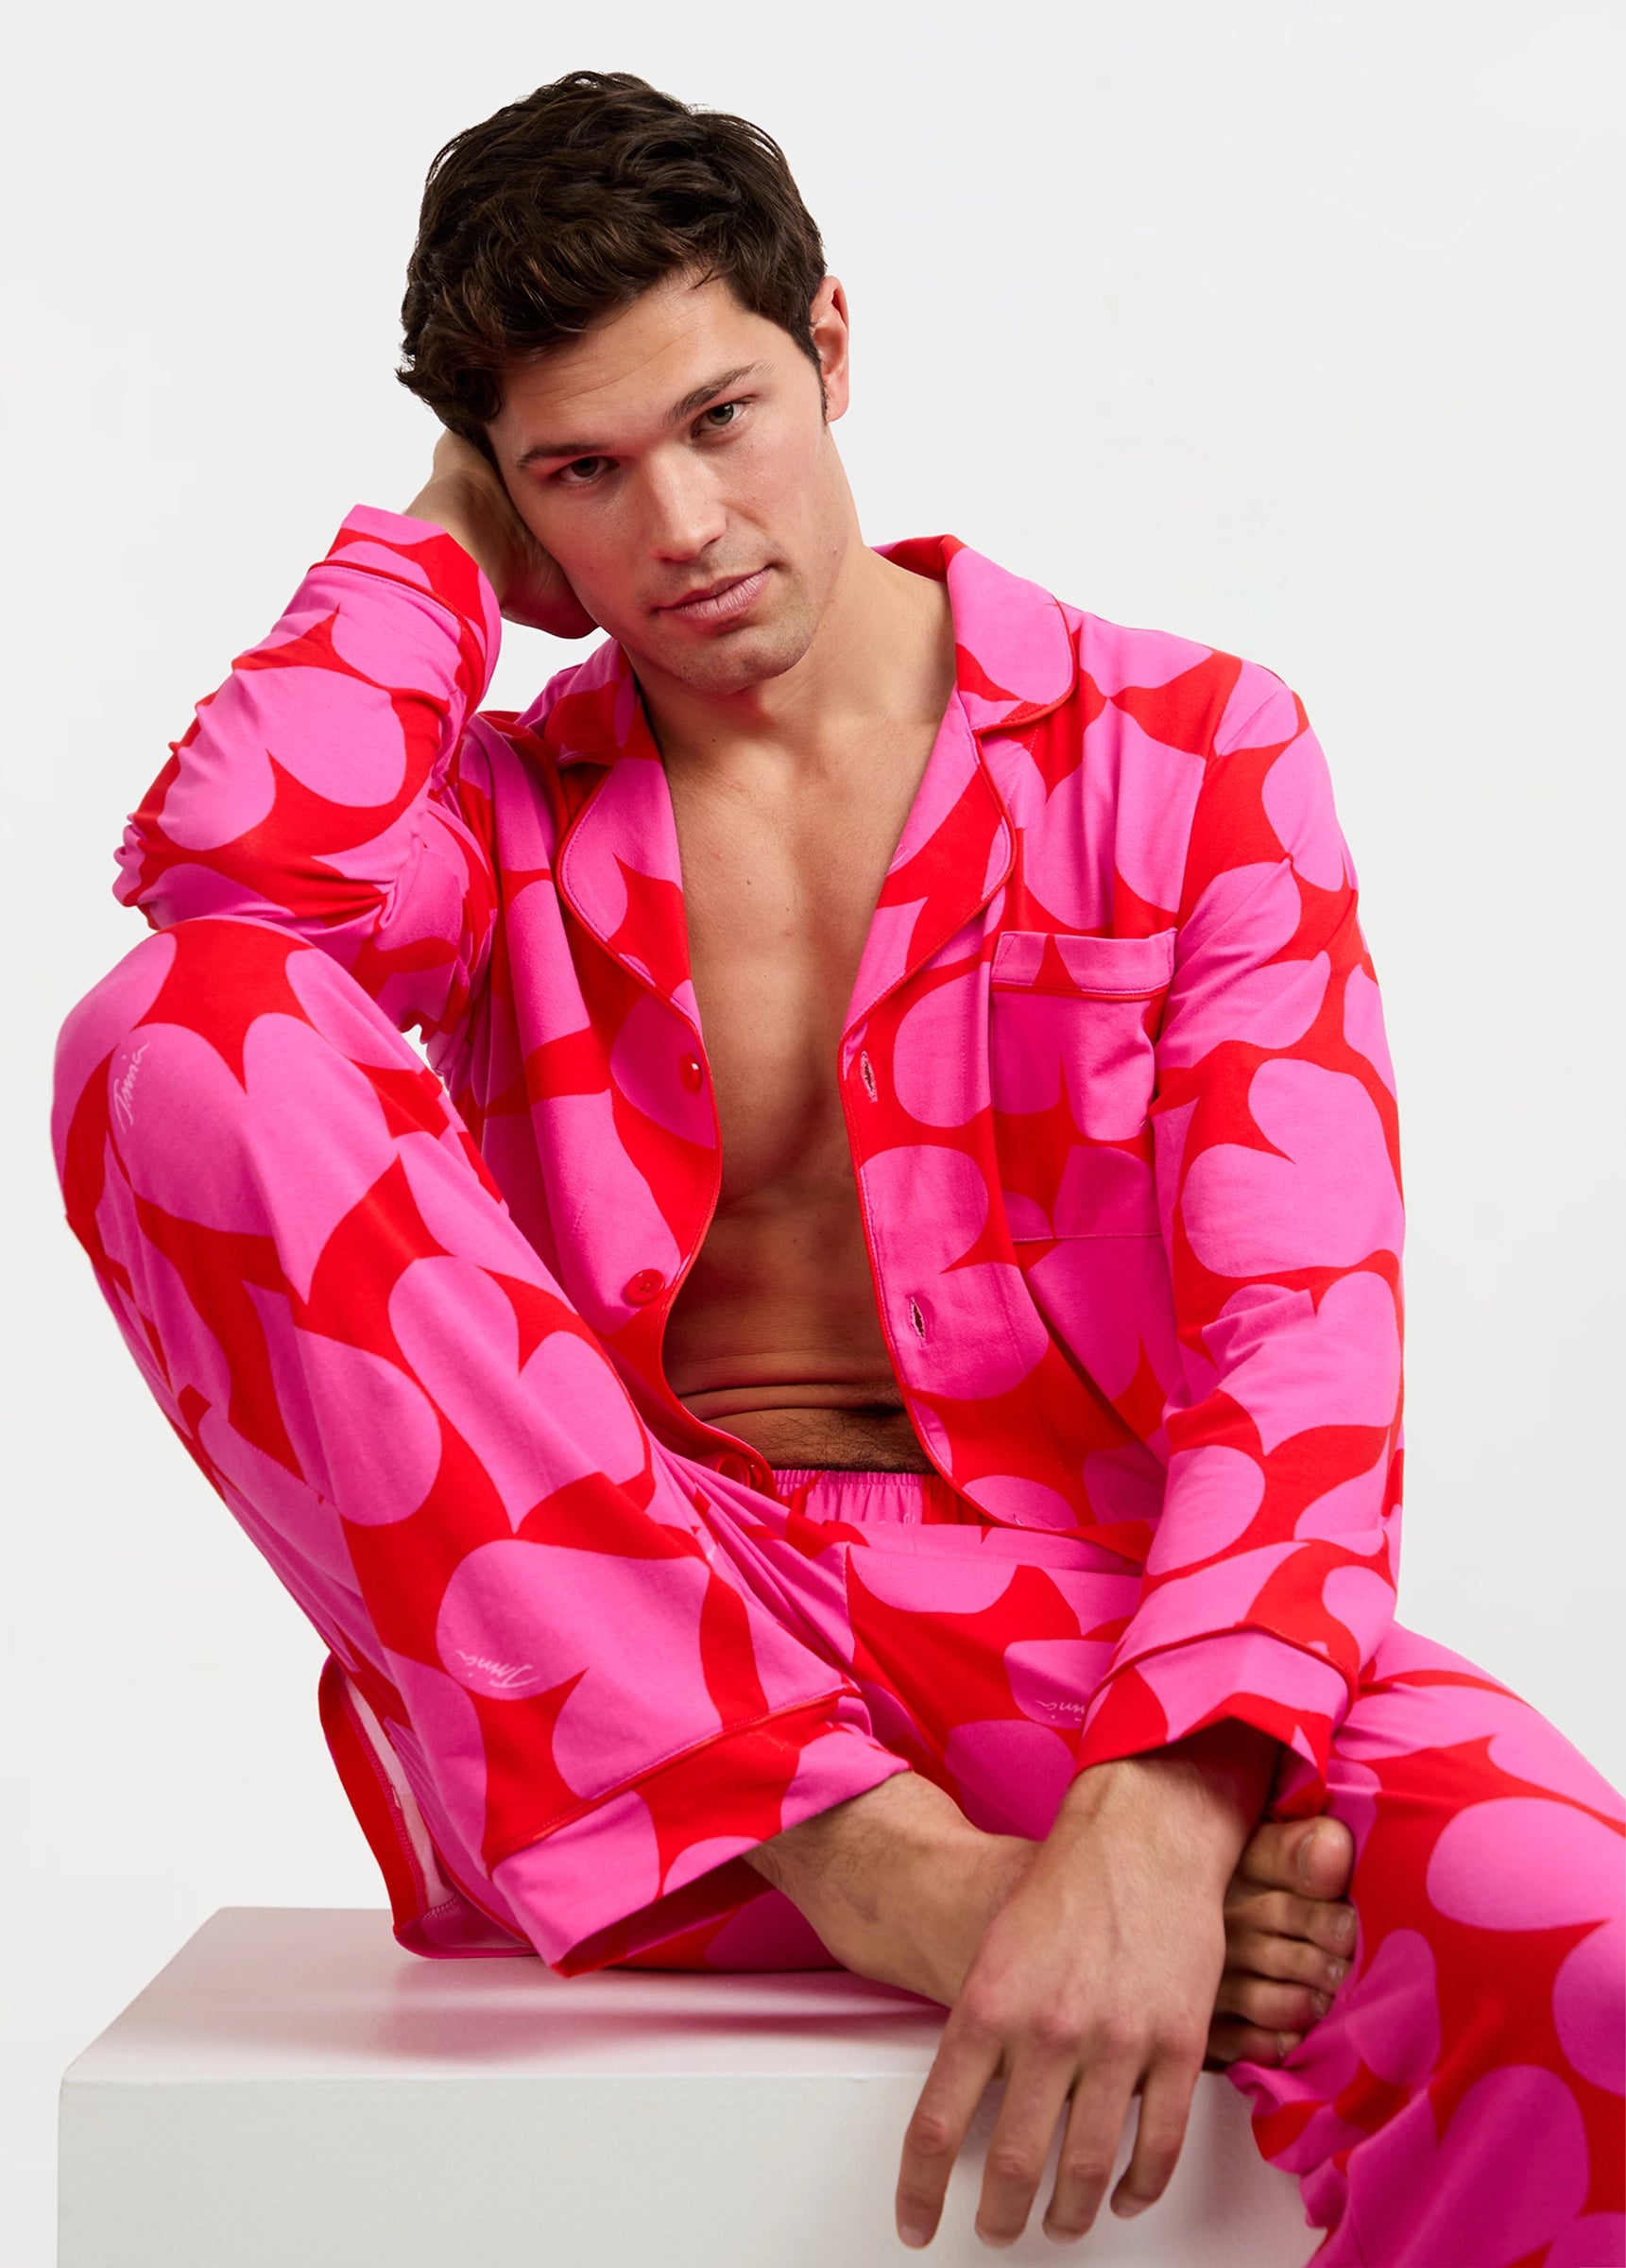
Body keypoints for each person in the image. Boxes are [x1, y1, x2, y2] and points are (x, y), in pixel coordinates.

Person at [52, 68, 1622, 2263]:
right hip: (614, 1645)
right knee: (176, 1028)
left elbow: (1304, 1330)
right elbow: (225, 901)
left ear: (832, 348)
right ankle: (867, 1871)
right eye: (585, 472)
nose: (684, 526)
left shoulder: (1187, 751)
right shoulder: (494, 818)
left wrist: (1170, 1809)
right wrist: (435, 540)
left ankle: (950, 1850)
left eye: (723, 419)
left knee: (1588, 1956)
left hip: (1093, 1626)